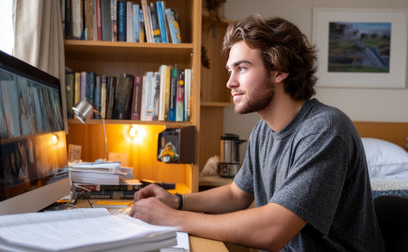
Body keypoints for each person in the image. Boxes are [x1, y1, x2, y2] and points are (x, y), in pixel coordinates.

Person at [130, 14, 385, 251]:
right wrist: (177, 201)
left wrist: (173, 218)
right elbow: (236, 194)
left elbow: (273, 230)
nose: (230, 82)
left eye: (241, 68)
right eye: (230, 70)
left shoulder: (326, 129)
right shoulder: (263, 130)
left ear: (279, 70)